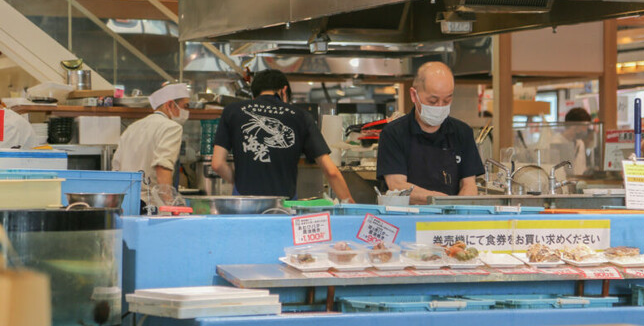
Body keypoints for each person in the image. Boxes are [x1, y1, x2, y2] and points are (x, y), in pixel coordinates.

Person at [211, 69, 353, 202]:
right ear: (284, 90)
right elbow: (331, 171)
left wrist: (238, 181)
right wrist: (350, 203)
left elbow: (217, 164)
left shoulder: (232, 111)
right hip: (284, 204)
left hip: (244, 202)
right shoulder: (301, 116)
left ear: (254, 95)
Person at [377, 61, 485, 204]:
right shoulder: (393, 133)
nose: (440, 107)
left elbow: (469, 184)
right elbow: (397, 186)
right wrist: (440, 201)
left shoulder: (462, 132)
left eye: (447, 100)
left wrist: (458, 208)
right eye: (433, 101)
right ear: (414, 96)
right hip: (407, 218)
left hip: (450, 218)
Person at [112, 83, 190, 201]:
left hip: (125, 201)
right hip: (150, 203)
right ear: (169, 104)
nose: (187, 111)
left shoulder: (132, 127)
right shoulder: (172, 127)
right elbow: (162, 166)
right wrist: (168, 204)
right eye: (185, 106)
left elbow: (116, 168)